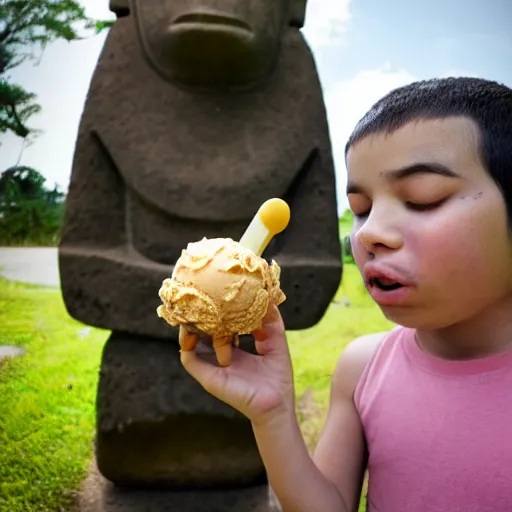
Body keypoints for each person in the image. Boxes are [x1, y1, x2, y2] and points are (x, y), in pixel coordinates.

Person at [179, 76, 512, 512]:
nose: (370, 232)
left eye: (422, 199)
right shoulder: (362, 368)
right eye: (361, 209)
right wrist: (273, 413)